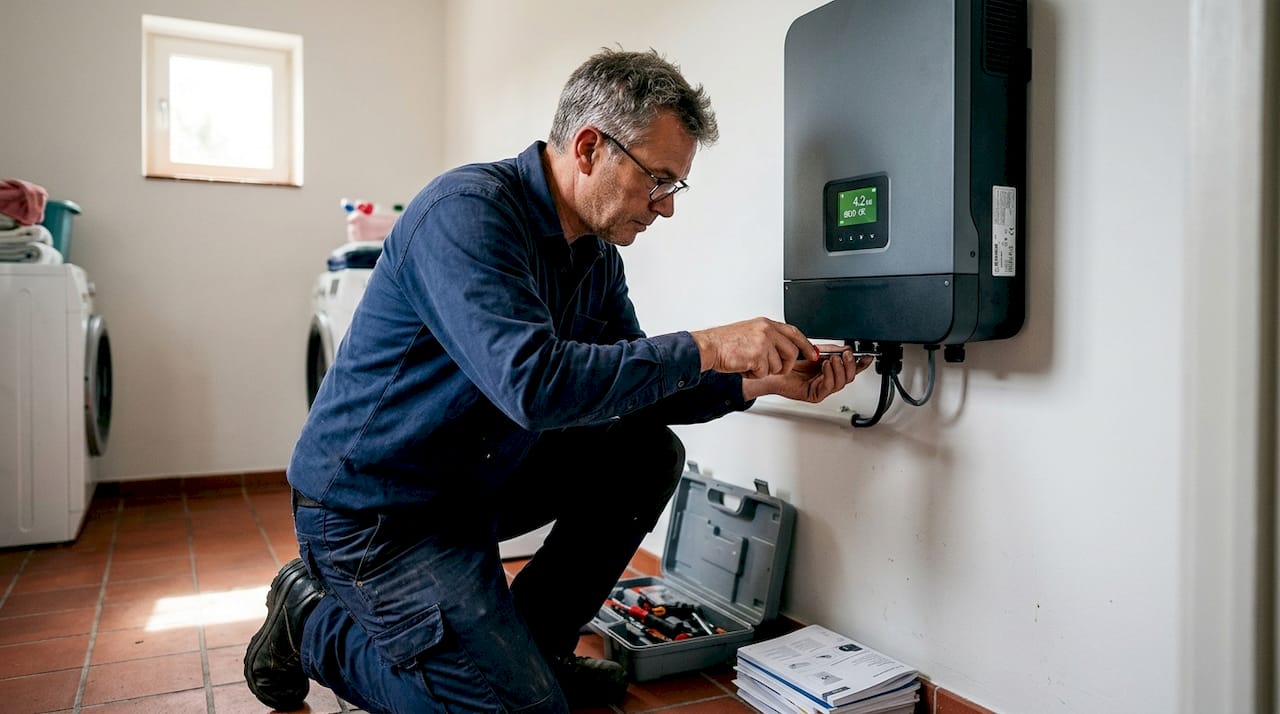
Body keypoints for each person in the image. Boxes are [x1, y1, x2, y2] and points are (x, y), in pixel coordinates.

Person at [244, 47, 873, 713]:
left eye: (674, 187)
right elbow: (534, 384)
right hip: (376, 512)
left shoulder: (595, 257)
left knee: (645, 451)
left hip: (472, 485)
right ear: (589, 147)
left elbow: (639, 381)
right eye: (658, 180)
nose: (665, 209)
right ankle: (309, 621)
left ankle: (535, 648)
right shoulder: (467, 215)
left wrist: (759, 382)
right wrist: (711, 344)